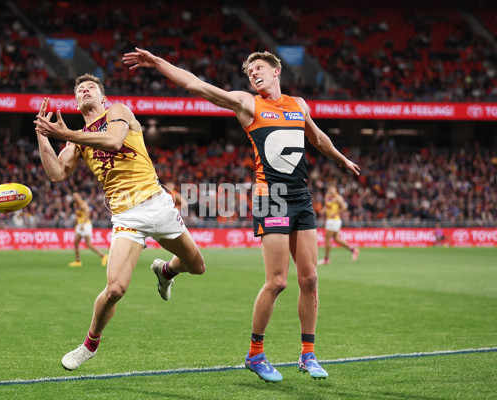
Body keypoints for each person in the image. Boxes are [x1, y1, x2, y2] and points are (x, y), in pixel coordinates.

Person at [123, 48, 360, 382]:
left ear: (277, 70)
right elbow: (197, 86)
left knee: (309, 279)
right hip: (270, 196)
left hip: (300, 196)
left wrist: (340, 159)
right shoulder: (248, 103)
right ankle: (255, 354)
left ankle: (308, 355)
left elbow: (316, 136)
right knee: (277, 281)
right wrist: (157, 63)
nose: (253, 74)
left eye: (259, 68)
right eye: (249, 71)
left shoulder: (299, 105)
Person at [33, 73, 206, 371]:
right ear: (76, 102)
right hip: (127, 216)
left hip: (158, 203)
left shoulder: (118, 112)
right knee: (115, 289)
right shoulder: (77, 142)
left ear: (103, 98)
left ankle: (165, 271)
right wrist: (43, 135)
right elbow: (56, 173)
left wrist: (68, 134)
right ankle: (89, 345)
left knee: (197, 267)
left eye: (91, 87)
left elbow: (113, 141)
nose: (84, 90)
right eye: (79, 89)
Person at [318, 185, 359, 265]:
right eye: (330, 188)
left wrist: (335, 213)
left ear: (336, 190)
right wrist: (322, 211)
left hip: (334, 220)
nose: (331, 190)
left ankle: (326, 259)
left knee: (327, 239)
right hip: (330, 220)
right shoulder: (327, 197)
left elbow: (344, 207)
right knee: (337, 239)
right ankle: (353, 250)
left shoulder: (338, 198)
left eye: (332, 188)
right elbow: (327, 207)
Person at [68, 192, 108, 267]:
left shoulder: (83, 203)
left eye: (76, 196)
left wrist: (83, 224)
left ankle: (103, 255)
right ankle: (77, 261)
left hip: (85, 225)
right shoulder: (75, 205)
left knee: (88, 244)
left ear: (79, 196)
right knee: (76, 242)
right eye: (73, 197)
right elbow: (78, 216)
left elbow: (87, 213)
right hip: (80, 225)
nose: (75, 198)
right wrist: (76, 225)